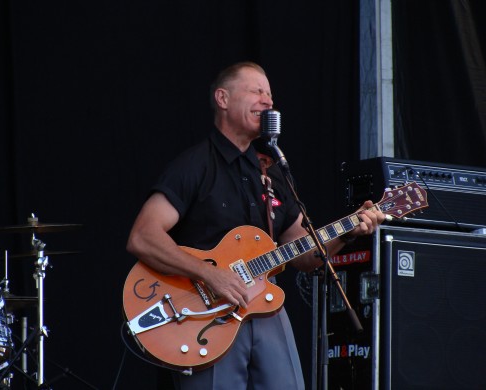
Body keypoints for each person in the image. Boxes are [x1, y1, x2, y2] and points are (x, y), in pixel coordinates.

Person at [126, 61, 385, 390]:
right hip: (205, 316)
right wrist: (208, 273)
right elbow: (143, 236)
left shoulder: (272, 172)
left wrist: (349, 230)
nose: (267, 101)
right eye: (255, 91)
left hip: (264, 306)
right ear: (223, 98)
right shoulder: (194, 166)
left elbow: (304, 255)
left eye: (270, 94)